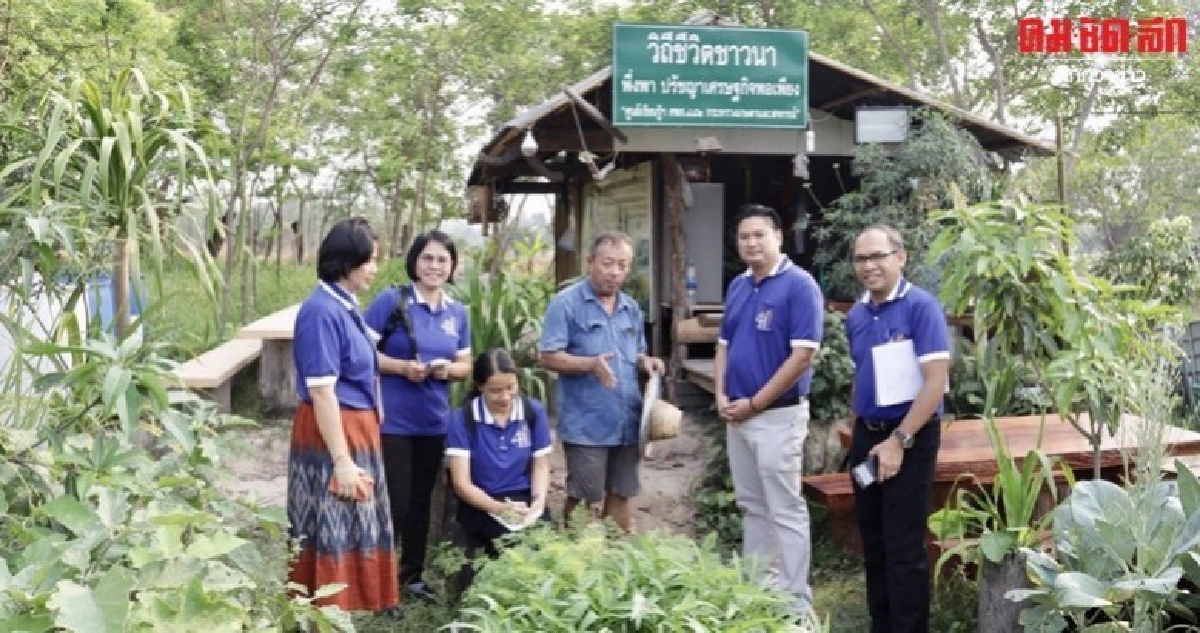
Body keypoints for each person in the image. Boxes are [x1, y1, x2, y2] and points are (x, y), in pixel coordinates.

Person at [713, 203, 823, 613]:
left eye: (760, 234)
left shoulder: (799, 286)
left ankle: (796, 605)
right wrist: (720, 395)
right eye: (744, 237)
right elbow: (723, 346)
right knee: (752, 507)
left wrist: (755, 404)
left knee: (786, 508)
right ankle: (759, 595)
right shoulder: (739, 286)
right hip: (737, 416)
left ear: (778, 236)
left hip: (777, 416)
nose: (751, 243)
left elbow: (802, 357)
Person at [287, 216, 399, 613]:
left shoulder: (345, 305)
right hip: (333, 436)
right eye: (369, 260)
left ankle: (342, 615)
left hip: (354, 430)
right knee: (331, 529)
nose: (374, 269)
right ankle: (321, 617)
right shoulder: (320, 312)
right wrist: (342, 461)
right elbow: (321, 390)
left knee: (352, 527)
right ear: (347, 261)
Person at [845, 224, 951, 633]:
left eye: (878, 257)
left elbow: (936, 381)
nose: (869, 266)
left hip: (911, 437)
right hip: (868, 435)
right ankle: (882, 624)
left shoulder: (921, 307)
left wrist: (899, 441)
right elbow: (864, 373)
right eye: (861, 259)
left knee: (904, 546)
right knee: (873, 541)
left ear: (900, 257)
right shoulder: (857, 314)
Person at [363, 229, 471, 603]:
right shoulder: (390, 302)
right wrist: (402, 368)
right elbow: (361, 355)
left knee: (422, 502)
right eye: (428, 258)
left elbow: (466, 364)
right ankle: (379, 583)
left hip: (434, 422)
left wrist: (446, 371)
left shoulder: (457, 312)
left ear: (452, 266)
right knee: (394, 501)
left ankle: (412, 577)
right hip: (392, 421)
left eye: (443, 260)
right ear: (414, 261)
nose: (435, 266)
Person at [538, 231, 665, 533]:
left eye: (622, 265)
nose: (615, 272)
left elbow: (636, 352)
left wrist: (647, 362)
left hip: (628, 421)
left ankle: (614, 563)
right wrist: (589, 364)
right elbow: (548, 356)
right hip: (587, 423)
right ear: (590, 261)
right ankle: (572, 562)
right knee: (584, 496)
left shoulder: (631, 308)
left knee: (622, 492)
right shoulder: (566, 304)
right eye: (608, 263)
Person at [445, 348, 553, 560]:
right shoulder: (463, 418)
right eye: (495, 391)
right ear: (480, 387)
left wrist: (538, 503)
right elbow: (461, 483)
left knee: (546, 544)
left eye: (511, 388)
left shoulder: (533, 412)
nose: (505, 397)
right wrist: (500, 508)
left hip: (523, 498)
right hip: (481, 501)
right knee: (511, 548)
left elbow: (540, 465)